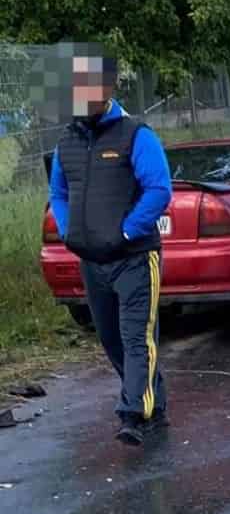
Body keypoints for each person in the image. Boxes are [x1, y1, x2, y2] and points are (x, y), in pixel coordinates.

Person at [49, 56, 172, 446]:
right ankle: (151, 397)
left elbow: (159, 190)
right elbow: (59, 192)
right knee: (110, 338)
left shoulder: (136, 134)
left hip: (135, 258)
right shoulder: (66, 140)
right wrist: (70, 231)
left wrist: (126, 232)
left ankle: (134, 414)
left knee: (137, 336)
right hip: (92, 260)